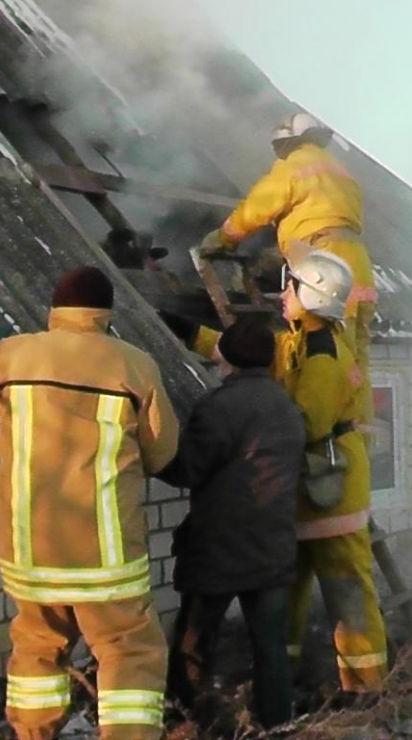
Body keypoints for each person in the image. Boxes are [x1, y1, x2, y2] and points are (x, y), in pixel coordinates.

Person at [0, 266, 179, 740]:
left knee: (37, 643)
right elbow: (162, 453)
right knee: (129, 650)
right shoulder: (135, 365)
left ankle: (33, 733)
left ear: (55, 308)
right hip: (107, 555)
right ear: (105, 313)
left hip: (29, 549)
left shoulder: (12, 354)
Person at [168, 249, 388, 695]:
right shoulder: (300, 342)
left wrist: (245, 427)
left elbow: (307, 425)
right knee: (288, 595)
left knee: (346, 592)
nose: (283, 294)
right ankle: (284, 680)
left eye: (291, 287)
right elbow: (247, 352)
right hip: (301, 495)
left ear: (313, 296)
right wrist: (187, 331)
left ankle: (365, 689)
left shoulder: (324, 355)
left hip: (331, 496)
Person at [157, 317, 306, 729]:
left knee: (195, 643)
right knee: (270, 647)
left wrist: (149, 448)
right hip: (272, 547)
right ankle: (278, 725)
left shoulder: (219, 407)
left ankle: (188, 722)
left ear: (228, 356)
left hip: (217, 549)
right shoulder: (287, 406)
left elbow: (187, 469)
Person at [199, 111, 377, 385]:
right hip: (357, 262)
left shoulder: (293, 167)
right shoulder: (340, 172)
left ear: (288, 142)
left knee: (322, 349)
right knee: (356, 357)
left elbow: (257, 208)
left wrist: (223, 238)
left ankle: (317, 407)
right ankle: (355, 408)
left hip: (323, 262)